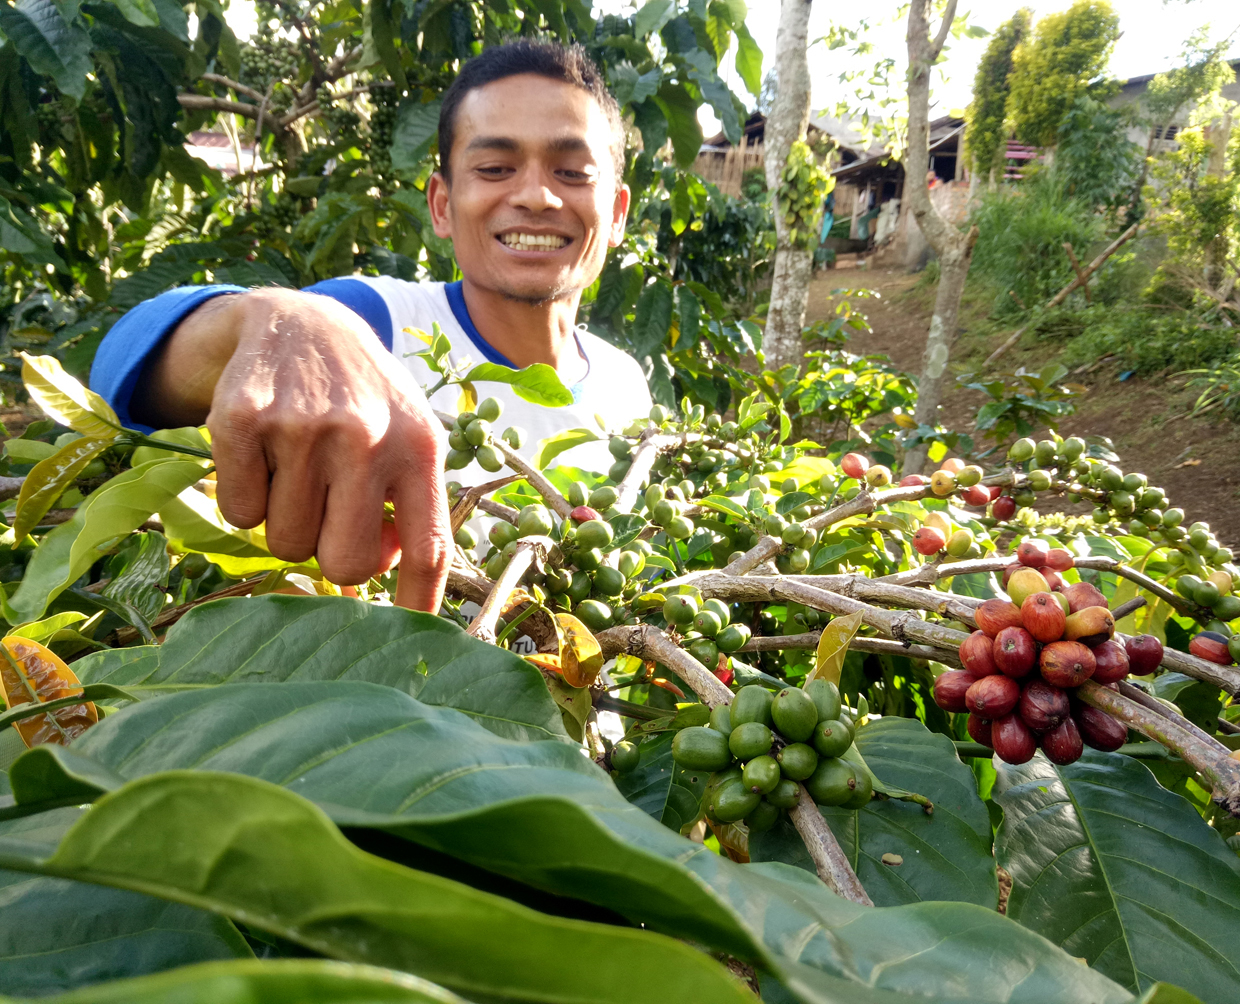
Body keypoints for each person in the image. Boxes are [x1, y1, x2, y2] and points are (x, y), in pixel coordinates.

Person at [89, 40, 652, 613]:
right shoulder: (373, 321)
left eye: (573, 172)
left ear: (618, 214)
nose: (536, 195)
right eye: (494, 168)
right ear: (441, 204)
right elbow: (115, 372)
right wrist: (273, 321)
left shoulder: (626, 384)